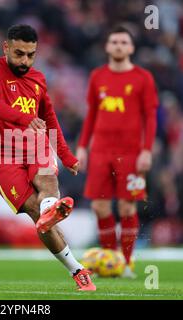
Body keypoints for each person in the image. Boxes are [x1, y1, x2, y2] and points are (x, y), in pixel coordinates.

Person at [0, 24, 96, 291]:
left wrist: (66, 155)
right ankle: (77, 268)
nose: (25, 61)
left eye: (30, 55)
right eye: (19, 54)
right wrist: (24, 118)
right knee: (35, 212)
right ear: (6, 48)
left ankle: (50, 208)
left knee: (47, 184)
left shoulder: (38, 78)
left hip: (33, 145)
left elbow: (49, 117)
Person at [76, 26, 159, 278]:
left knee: (126, 207)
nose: (119, 45)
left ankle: (127, 262)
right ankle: (111, 260)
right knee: (99, 207)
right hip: (100, 151)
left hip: (131, 153)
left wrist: (146, 150)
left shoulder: (143, 78)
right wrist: (82, 146)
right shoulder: (97, 76)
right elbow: (91, 114)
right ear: (107, 46)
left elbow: (150, 116)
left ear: (131, 48)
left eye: (124, 42)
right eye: (115, 41)